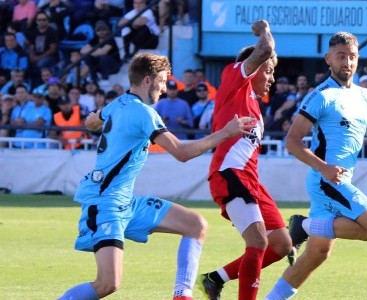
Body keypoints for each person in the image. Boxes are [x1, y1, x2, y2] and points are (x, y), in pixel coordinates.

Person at [57, 52, 255, 300]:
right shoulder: (144, 113)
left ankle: (182, 295)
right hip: (105, 202)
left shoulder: (117, 103)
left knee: (195, 225)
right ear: (148, 80)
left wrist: (100, 120)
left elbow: (90, 122)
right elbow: (181, 153)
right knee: (108, 284)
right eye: (162, 81)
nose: (164, 88)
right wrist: (226, 132)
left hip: (125, 201)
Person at [263, 31, 367, 300]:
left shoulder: (364, 96)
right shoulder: (321, 96)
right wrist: (324, 168)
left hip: (339, 181)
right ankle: (304, 226)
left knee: (316, 255)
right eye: (340, 57)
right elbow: (292, 141)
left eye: (352, 57)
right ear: (328, 59)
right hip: (326, 181)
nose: (346, 63)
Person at [197, 20, 292, 300]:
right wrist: (264, 30)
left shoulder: (254, 105)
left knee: (281, 244)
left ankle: (215, 278)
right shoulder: (234, 80)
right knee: (259, 242)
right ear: (255, 67)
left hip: (251, 181)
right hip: (230, 174)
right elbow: (265, 48)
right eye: (270, 71)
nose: (272, 79)